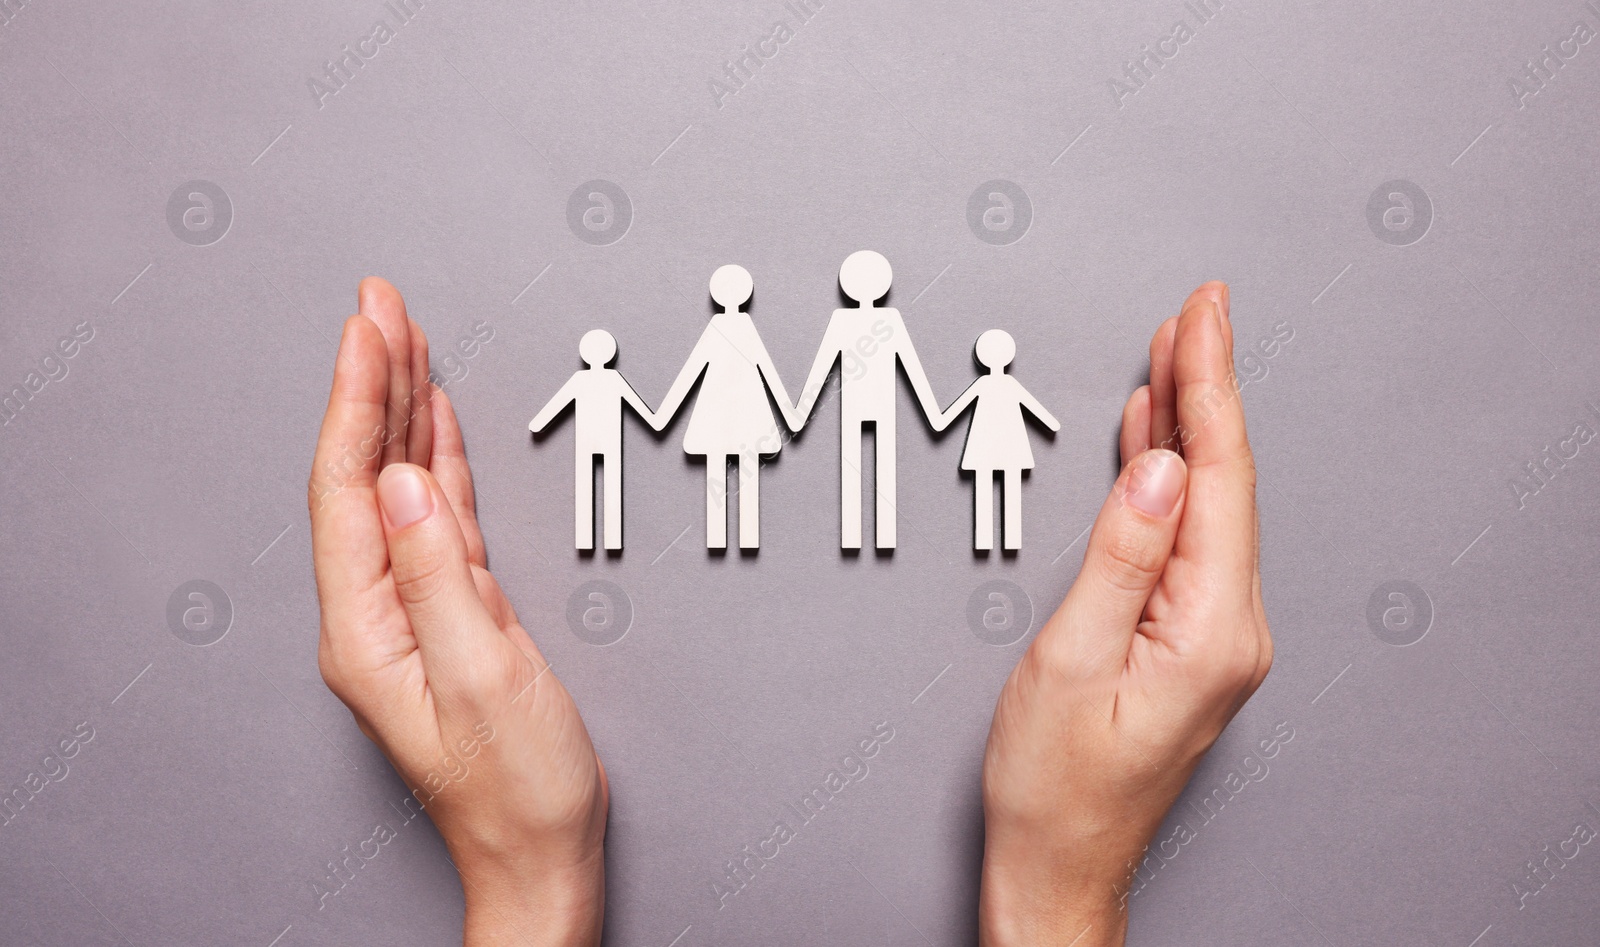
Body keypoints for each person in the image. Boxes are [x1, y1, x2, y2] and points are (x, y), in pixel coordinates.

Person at [308, 277, 1268, 947]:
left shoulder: (889, 342)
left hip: (873, 436)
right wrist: (1060, 888)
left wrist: (530, 887)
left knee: (873, 482)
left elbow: (881, 387)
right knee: (825, 479)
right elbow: (784, 384)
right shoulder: (814, 335)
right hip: (760, 427)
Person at [792, 250, 944, 550]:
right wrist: (933, 413)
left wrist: (800, 412)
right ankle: (874, 536)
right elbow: (910, 368)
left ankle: (861, 536)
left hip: (861, 404)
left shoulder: (860, 319)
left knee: (857, 465)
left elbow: (908, 365)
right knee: (874, 464)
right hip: (868, 404)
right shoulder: (882, 319)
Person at [650, 264, 800, 549]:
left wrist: (663, 415)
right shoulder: (736, 327)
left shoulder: (725, 327)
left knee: (719, 467)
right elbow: (764, 369)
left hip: (721, 413)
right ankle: (743, 539)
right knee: (746, 467)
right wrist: (791, 414)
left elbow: (692, 372)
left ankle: (723, 539)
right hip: (741, 412)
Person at [932, 329, 1060, 551]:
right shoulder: (1006, 384)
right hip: (1008, 445)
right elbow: (1037, 411)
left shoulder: (986, 384)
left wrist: (939, 419)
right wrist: (1051, 423)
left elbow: (952, 413)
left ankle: (987, 541)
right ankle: (1007, 541)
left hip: (985, 445)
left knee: (986, 487)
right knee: (1007, 487)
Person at [528, 328, 655, 551]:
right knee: (611, 487)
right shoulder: (613, 379)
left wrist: (538, 423)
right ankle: (611, 541)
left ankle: (588, 540)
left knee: (586, 487)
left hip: (589, 443)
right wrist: (658, 420)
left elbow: (552, 409)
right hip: (609, 442)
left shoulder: (582, 379)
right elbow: (643, 411)